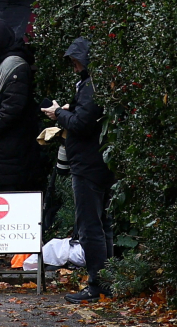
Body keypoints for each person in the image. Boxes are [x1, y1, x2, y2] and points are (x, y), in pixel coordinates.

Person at [44, 37, 115, 303]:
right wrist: (69, 109)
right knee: (102, 223)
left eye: (75, 61)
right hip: (100, 163)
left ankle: (97, 285)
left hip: (87, 164)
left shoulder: (90, 85)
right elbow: (88, 116)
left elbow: (83, 123)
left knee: (90, 226)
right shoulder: (98, 83)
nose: (74, 67)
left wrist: (59, 114)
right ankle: (106, 282)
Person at [0, 18, 42, 192]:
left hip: (11, 148)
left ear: (4, 36)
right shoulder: (0, 61)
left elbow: (12, 106)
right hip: (5, 149)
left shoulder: (14, 65)